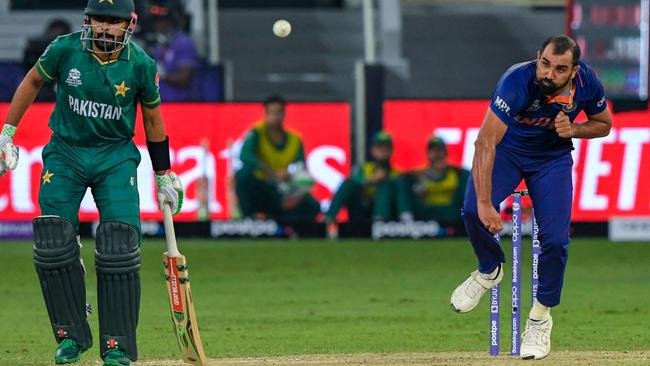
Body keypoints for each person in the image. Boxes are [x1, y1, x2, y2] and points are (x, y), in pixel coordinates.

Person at [0, 1, 184, 365]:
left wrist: (163, 174)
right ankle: (71, 336)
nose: (105, 29)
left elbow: (152, 121)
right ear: (88, 21)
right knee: (53, 241)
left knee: (119, 243)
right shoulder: (65, 49)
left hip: (114, 157)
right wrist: (7, 132)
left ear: (128, 25)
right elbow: (33, 81)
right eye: (100, 19)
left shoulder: (142, 65)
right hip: (65, 153)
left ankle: (118, 347)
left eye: (114, 22)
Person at [449, 35, 612, 360]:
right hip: (509, 151)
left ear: (574, 70)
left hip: (551, 159)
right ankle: (489, 269)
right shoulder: (517, 81)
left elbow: (604, 124)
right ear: (538, 57)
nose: (549, 74)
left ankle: (539, 319)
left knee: (554, 240)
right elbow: (485, 143)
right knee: (470, 211)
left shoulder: (587, 82)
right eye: (545, 63)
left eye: (559, 68)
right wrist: (485, 204)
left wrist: (575, 130)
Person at [235, 95, 320, 223]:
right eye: (271, 113)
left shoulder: (295, 139)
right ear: (266, 114)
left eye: (278, 112)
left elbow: (302, 170)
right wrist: (271, 172)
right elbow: (244, 155)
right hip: (262, 187)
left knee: (313, 206)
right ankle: (248, 220)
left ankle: (284, 223)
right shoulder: (257, 133)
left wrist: (294, 189)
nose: (275, 117)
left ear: (284, 114)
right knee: (243, 175)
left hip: (283, 190)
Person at [325, 131, 399, 224]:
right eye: (379, 147)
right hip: (362, 208)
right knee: (348, 183)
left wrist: (384, 180)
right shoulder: (364, 169)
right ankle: (329, 218)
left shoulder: (396, 172)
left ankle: (381, 222)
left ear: (391, 150)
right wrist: (371, 180)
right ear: (373, 150)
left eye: (386, 147)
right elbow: (354, 183)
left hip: (388, 213)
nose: (382, 150)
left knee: (385, 186)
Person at [396, 137, 468, 224]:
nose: (437, 154)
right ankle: (407, 219)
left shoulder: (457, 173)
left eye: (439, 150)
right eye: (433, 151)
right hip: (427, 214)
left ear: (445, 153)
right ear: (428, 154)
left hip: (451, 213)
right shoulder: (418, 174)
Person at [144, 1, 202, 101]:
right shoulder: (156, 45)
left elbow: (185, 78)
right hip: (162, 105)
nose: (157, 25)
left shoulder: (183, 43)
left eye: (160, 21)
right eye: (155, 21)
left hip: (183, 105)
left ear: (170, 21)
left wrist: (163, 75)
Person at [22, 18, 72, 101]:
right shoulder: (38, 48)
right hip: (42, 88)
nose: (56, 35)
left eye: (59, 32)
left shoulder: (74, 50)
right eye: (54, 31)